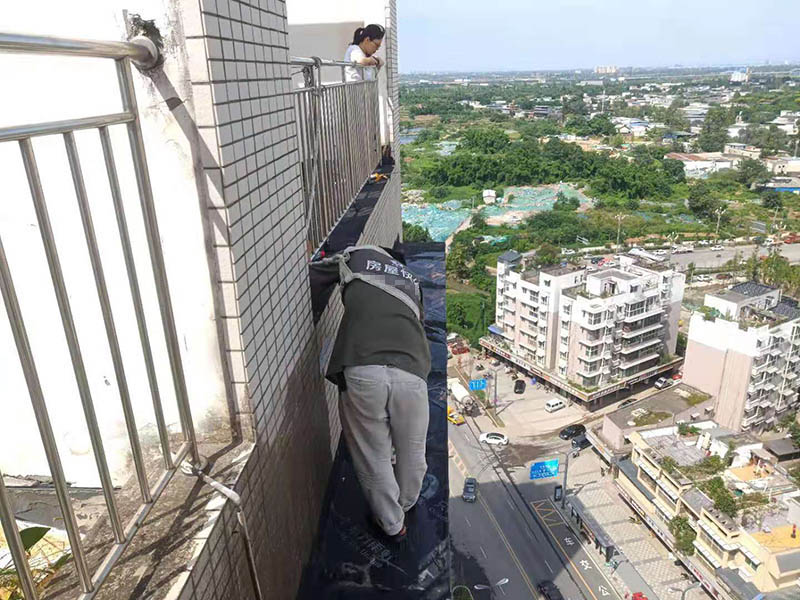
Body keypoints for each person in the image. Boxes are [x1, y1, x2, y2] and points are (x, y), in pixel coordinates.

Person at [309, 245, 431, 541]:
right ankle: (406, 503)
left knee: (373, 454)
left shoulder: (354, 256)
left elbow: (311, 277)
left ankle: (393, 525)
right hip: (412, 371)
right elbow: (418, 322)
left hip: (363, 366)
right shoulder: (412, 282)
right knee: (412, 449)